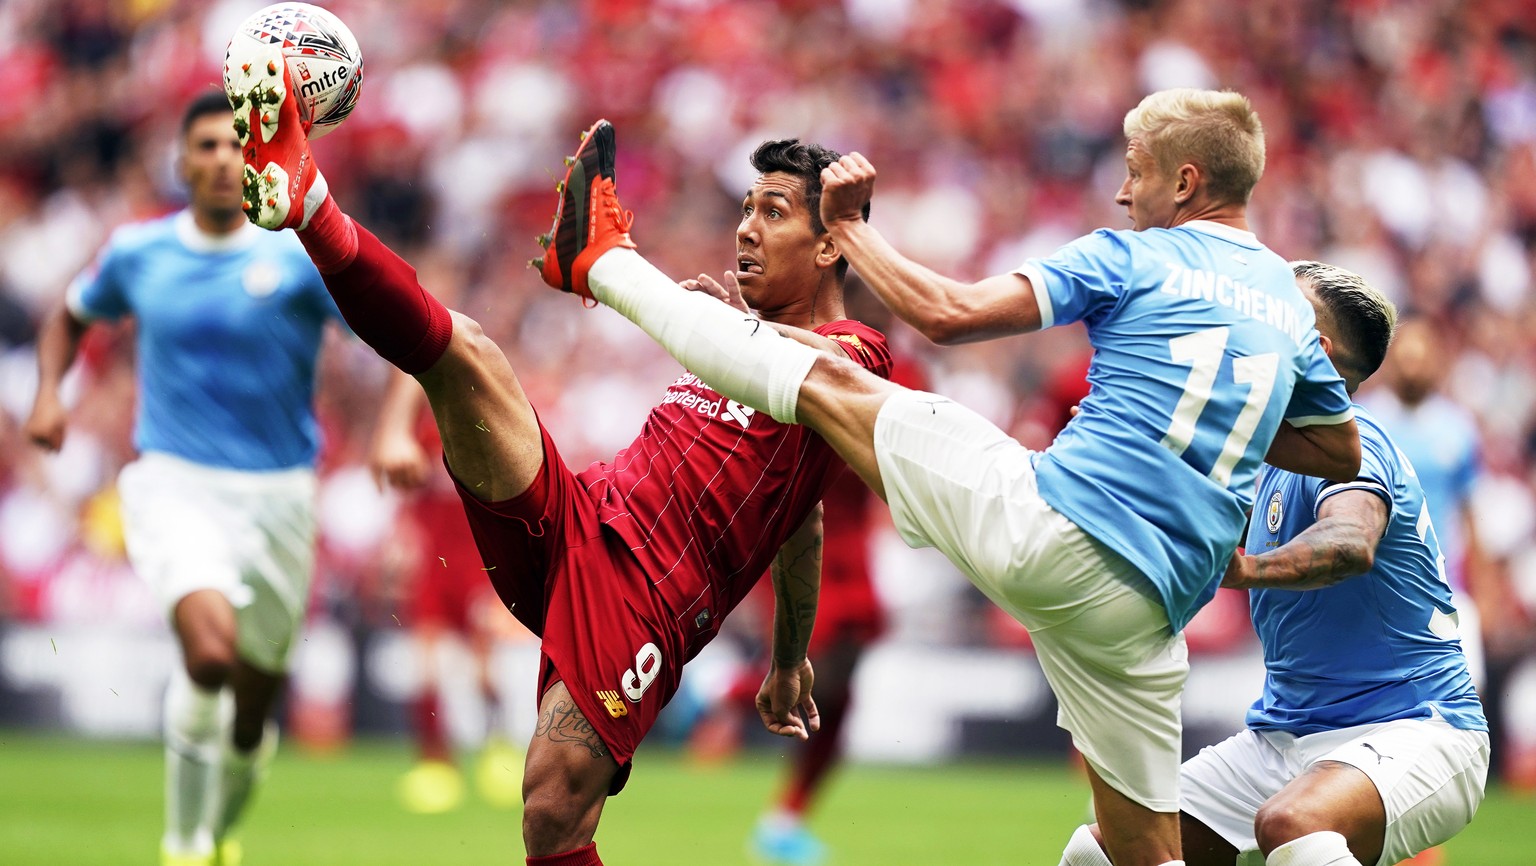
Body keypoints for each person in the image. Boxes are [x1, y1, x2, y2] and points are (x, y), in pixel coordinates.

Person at [535, 88, 1362, 866]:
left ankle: (601, 261)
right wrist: (1217, 426)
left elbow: (947, 315)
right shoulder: (1289, 306)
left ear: (1185, 182)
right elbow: (1337, 453)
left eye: (1134, 171)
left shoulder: (1135, 258)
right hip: (1151, 609)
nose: (1121, 194)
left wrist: (852, 227)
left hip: (1056, 531)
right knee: (1146, 849)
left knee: (828, 385)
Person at [224, 43, 893, 866]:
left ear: (831, 248)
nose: (747, 228)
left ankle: (600, 261)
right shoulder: (731, 340)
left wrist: (789, 661)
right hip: (584, 512)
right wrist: (791, 662)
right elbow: (803, 520)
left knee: (551, 810)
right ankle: (307, 197)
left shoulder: (855, 350)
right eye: (746, 207)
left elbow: (802, 511)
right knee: (465, 355)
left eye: (776, 213)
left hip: (651, 587)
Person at [24, 90, 349, 866]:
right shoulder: (140, 253)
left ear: (253, 159)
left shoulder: (295, 257)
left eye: (232, 146)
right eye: (202, 146)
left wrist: (403, 428)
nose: (217, 160)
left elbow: (400, 324)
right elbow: (70, 314)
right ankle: (183, 843)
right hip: (173, 481)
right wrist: (48, 394)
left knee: (250, 708)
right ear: (181, 159)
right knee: (208, 653)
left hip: (279, 497)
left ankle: (223, 825)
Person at [1161, 261, 1489, 866]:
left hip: (1415, 725)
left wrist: (1247, 570)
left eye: (1271, 308)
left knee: (1295, 827)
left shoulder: (1361, 444)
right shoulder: (1265, 454)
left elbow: (1351, 541)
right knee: (1107, 848)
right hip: (1284, 738)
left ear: (1314, 348)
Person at [368, 369, 527, 814]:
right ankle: (436, 764)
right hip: (432, 568)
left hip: (477, 564)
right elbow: (407, 499)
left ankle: (497, 748)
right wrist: (400, 541)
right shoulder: (418, 434)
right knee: (429, 663)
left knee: (483, 668)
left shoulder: (479, 424)